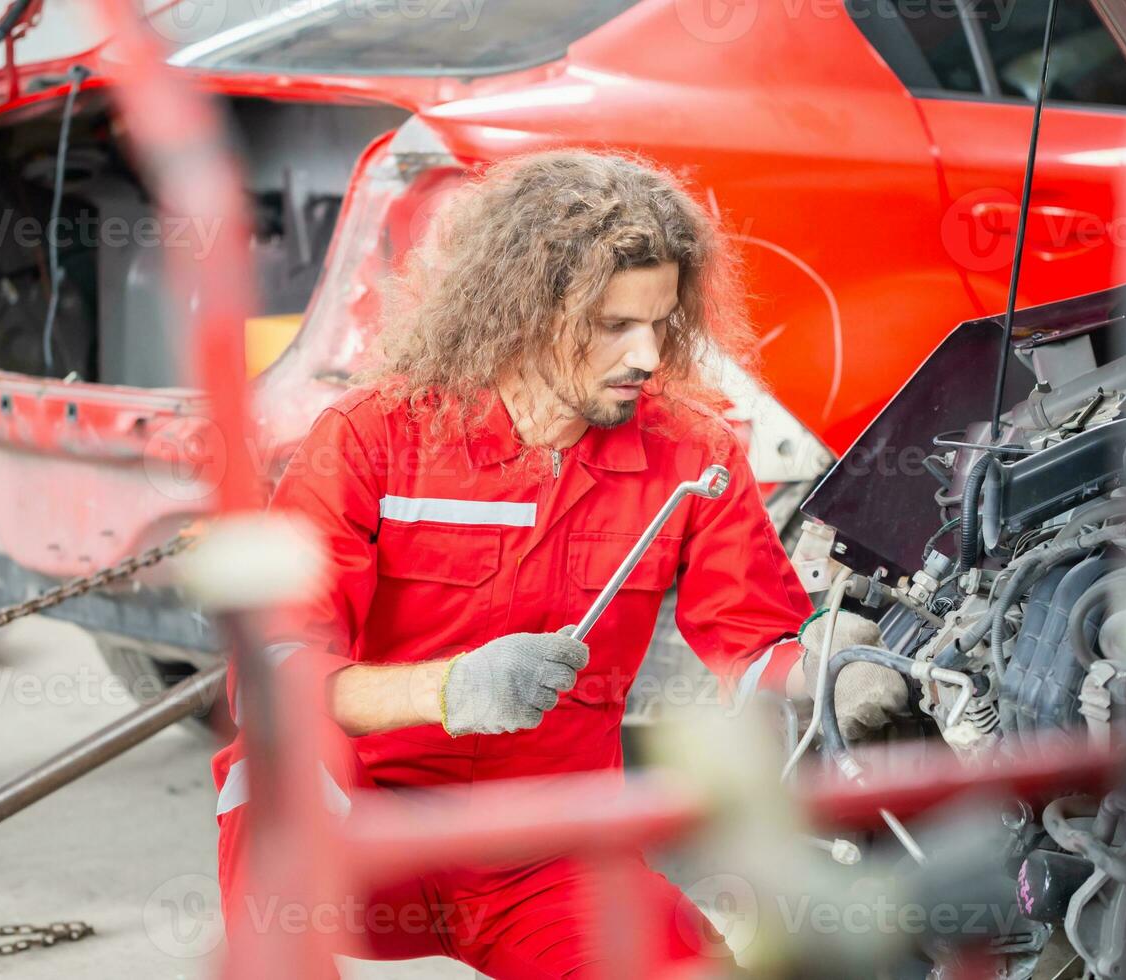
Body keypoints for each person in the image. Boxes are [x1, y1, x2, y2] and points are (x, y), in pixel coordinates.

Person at [212, 150, 904, 977]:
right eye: (614, 326)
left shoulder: (690, 459)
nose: (648, 356)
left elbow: (754, 642)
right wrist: (450, 688)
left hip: (547, 856)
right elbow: (272, 674)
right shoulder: (372, 439)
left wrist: (831, 668)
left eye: (660, 321)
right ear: (521, 311)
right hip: (369, 836)